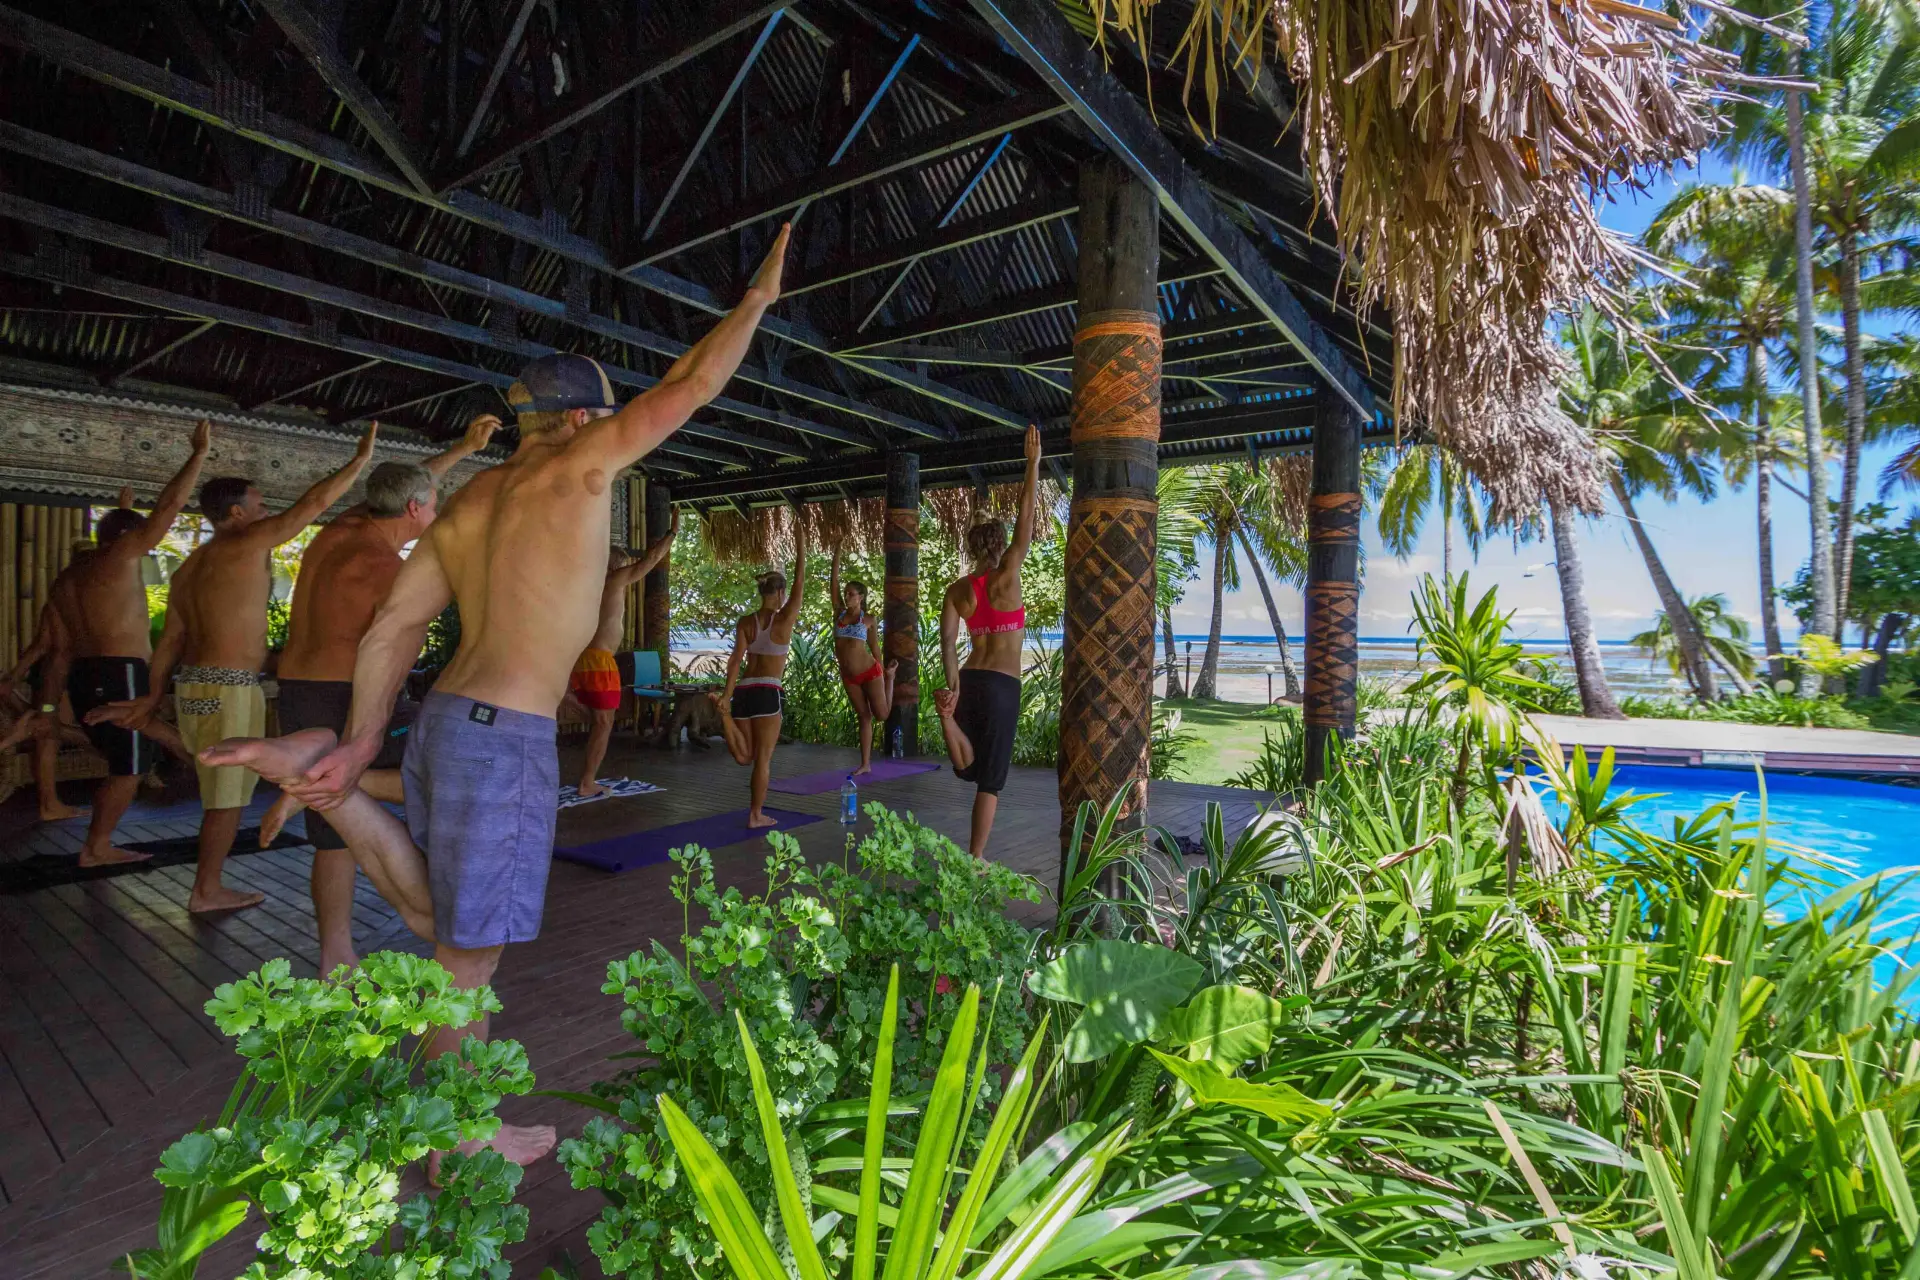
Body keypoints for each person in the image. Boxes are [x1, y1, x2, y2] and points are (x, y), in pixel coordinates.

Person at [199, 224, 791, 1177]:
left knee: (442, 925)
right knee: (467, 956)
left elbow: (394, 629)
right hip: (505, 733)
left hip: (445, 723)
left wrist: (360, 740)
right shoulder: (583, 467)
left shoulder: (472, 501)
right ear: (581, 417)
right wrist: (756, 301)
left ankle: (325, 781)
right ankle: (458, 1132)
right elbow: (692, 385)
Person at [93, 423, 378, 911]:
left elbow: (171, 641)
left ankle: (159, 737)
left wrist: (153, 693)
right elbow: (312, 505)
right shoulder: (248, 541)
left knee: (214, 770)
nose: (268, 513)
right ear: (236, 513)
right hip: (229, 686)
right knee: (227, 798)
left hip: (192, 685)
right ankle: (206, 890)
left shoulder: (187, 569)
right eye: (260, 505)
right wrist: (358, 462)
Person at [272, 415, 500, 974]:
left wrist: (463, 447)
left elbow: (403, 487)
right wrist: (361, 740)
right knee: (449, 765)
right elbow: (389, 660)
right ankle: (320, 786)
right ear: (416, 511)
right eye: (434, 503)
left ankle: (336, 955)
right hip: (344, 694)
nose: (436, 509)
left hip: (297, 690)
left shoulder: (342, 529)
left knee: (333, 834)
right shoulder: (388, 573)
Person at [21, 423, 213, 864]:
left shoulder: (68, 579)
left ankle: (201, 771)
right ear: (128, 538)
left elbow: (61, 649)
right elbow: (169, 506)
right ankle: (97, 847)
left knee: (134, 752)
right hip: (119, 672)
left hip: (85, 675)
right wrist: (198, 456)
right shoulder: (121, 556)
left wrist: (49, 704)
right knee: (129, 769)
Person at [935, 424, 1041, 857]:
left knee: (968, 764)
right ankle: (976, 857)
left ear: (972, 546)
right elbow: (1026, 519)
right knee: (990, 780)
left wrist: (954, 686)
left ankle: (947, 718)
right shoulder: (1010, 572)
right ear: (1000, 543)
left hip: (970, 678)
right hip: (1002, 685)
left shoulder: (957, 590)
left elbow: (947, 642)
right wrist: (1032, 465)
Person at [568, 509, 677, 799]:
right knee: (604, 724)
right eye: (625, 564)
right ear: (616, 564)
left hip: (583, 659)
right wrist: (671, 534)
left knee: (599, 720)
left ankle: (564, 697)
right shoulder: (615, 578)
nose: (628, 570)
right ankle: (587, 782)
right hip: (600, 661)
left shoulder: (588, 585)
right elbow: (650, 561)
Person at [717, 522, 806, 829]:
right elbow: (801, 581)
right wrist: (801, 544)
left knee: (746, 757)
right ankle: (756, 815)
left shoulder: (746, 622)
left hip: (743, 691)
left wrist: (727, 696)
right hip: (768, 691)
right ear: (780, 593)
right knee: (763, 760)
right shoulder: (784, 619)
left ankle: (725, 716)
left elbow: (735, 661)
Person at [828, 545, 896, 774]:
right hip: (849, 676)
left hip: (870, 672)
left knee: (882, 715)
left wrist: (885, 672)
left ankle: (891, 679)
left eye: (851, 594)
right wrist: (837, 552)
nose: (847, 596)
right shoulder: (838, 613)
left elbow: (875, 648)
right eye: (846, 593)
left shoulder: (868, 619)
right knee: (864, 717)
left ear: (861, 597)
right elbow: (833, 583)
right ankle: (865, 764)